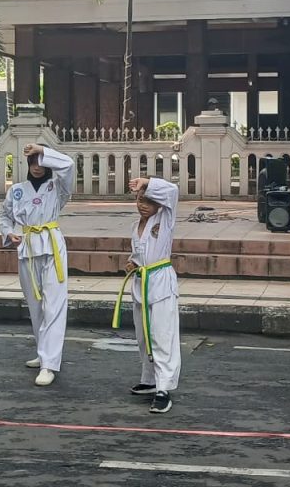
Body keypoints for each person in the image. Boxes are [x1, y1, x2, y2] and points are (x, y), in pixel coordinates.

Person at [0, 143, 74, 387]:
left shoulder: (58, 187)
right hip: (28, 246)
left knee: (54, 304)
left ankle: (49, 364)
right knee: (35, 305)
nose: (37, 167)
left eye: (41, 161)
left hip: (51, 246)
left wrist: (42, 150)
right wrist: (8, 232)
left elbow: (69, 164)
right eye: (33, 162)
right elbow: (4, 216)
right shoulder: (17, 190)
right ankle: (43, 352)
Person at [114, 176, 180, 414]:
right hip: (141, 282)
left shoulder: (165, 218)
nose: (143, 205)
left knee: (162, 336)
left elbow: (172, 191)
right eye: (140, 200)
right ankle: (150, 379)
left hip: (161, 282)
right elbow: (140, 253)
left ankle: (164, 389)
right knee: (144, 337)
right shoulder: (136, 226)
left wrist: (146, 182)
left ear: (159, 203)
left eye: (149, 200)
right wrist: (133, 262)